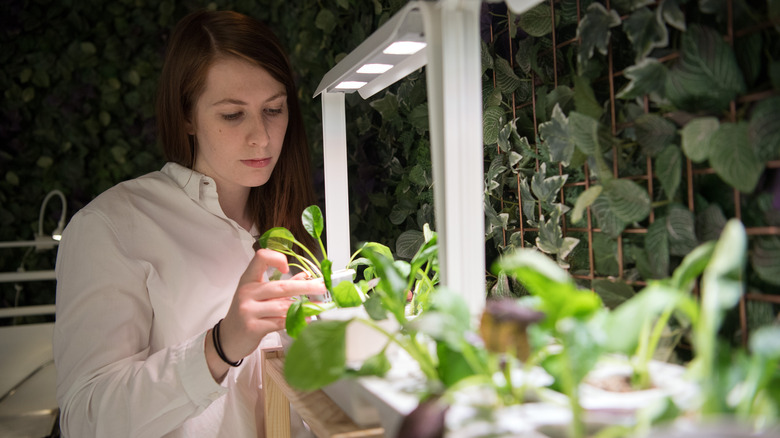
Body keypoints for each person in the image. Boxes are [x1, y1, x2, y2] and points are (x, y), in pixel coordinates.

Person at [53, 9, 325, 437]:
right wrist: (220, 346)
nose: (263, 137)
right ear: (186, 117)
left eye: (274, 109)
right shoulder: (112, 226)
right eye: (233, 115)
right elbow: (86, 421)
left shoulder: (296, 227)